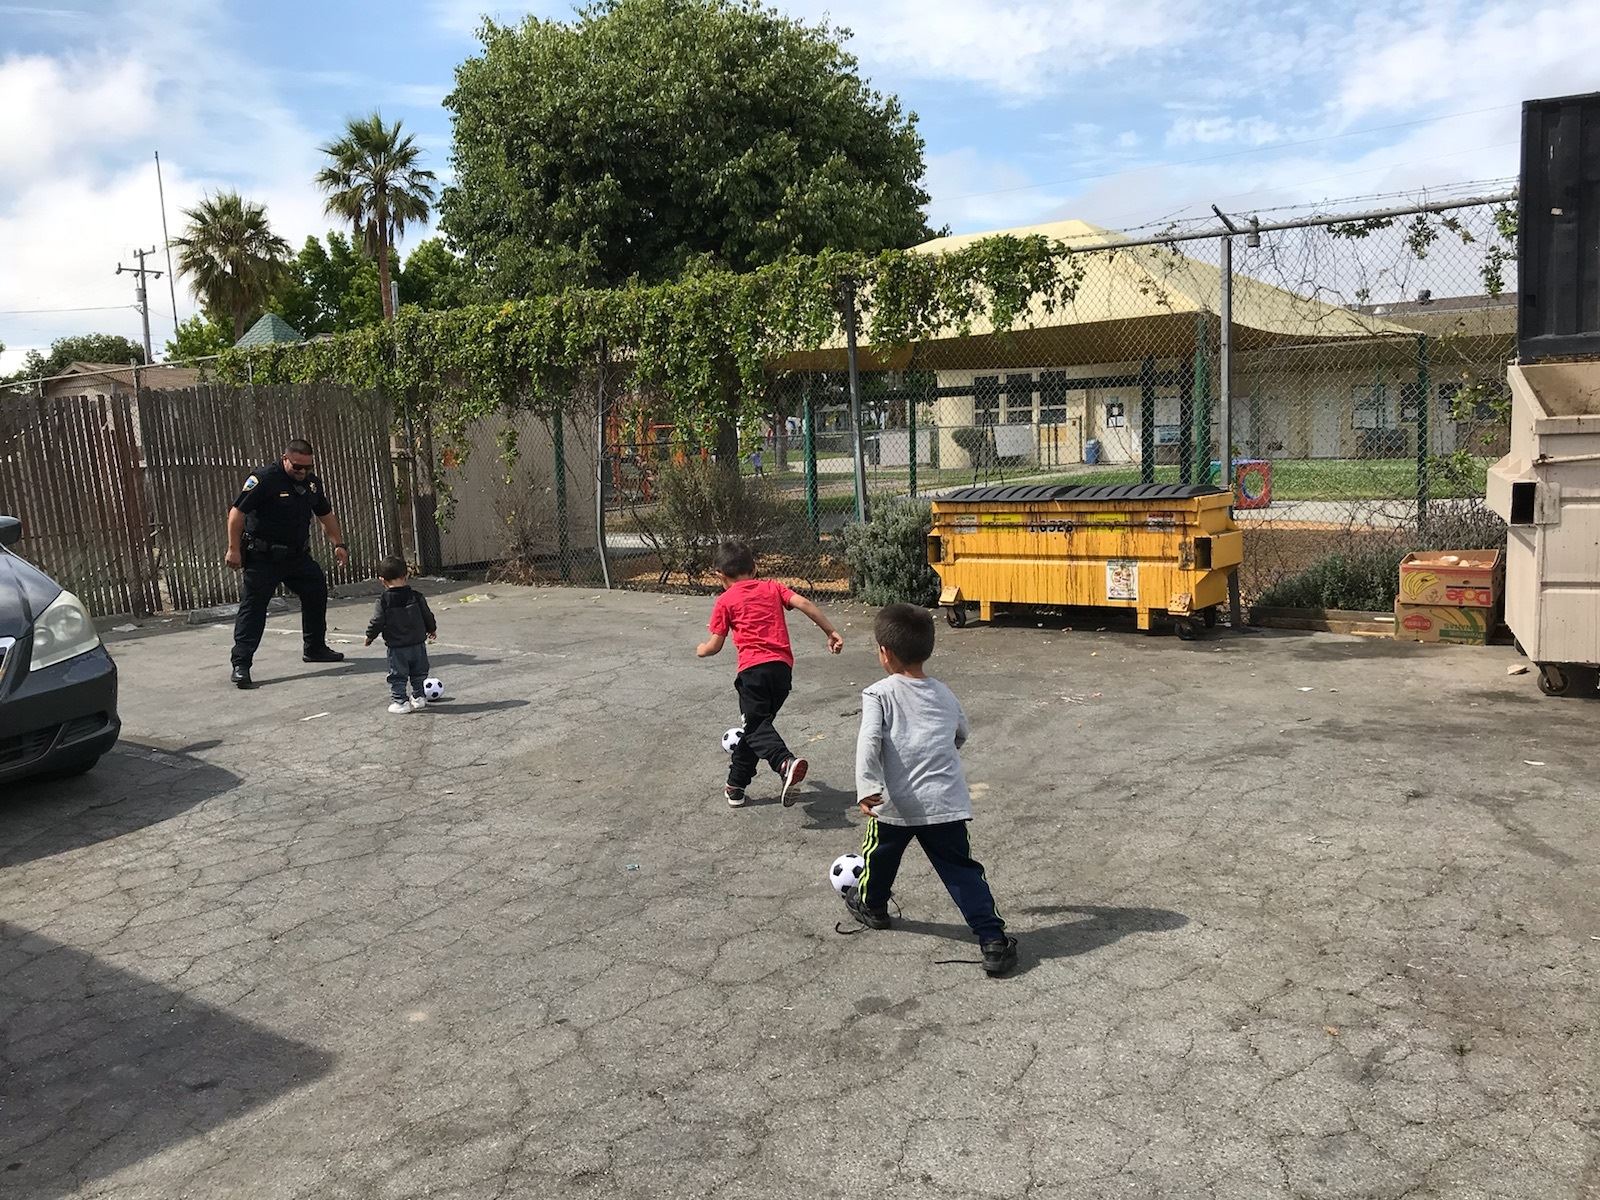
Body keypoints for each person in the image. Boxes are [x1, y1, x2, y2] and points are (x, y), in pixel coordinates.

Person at [847, 603, 1017, 977]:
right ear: (928, 649)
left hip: (894, 802)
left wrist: (867, 787)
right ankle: (993, 940)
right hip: (945, 802)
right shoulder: (943, 692)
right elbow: (961, 733)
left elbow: (869, 739)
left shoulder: (878, 694)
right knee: (961, 870)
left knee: (880, 856)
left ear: (884, 652)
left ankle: (872, 906)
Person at [696, 540, 843, 808]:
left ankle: (784, 762)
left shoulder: (725, 600)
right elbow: (804, 603)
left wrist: (702, 650)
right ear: (754, 568)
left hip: (753, 673)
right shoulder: (773, 587)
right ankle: (735, 786)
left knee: (755, 728)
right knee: (756, 729)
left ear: (719, 575)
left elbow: (715, 645)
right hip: (782, 672)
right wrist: (829, 631)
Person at [225, 438, 349, 688]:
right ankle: (241, 664)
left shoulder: (312, 484)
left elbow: (325, 514)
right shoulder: (264, 479)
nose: (302, 472)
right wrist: (233, 549)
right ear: (285, 459)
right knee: (254, 608)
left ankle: (314, 648)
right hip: (263, 557)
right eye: (297, 466)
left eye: (307, 467)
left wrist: (338, 544)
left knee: (316, 589)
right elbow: (236, 513)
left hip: (296, 556)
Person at [364, 555, 438, 715]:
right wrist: (431, 629)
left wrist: (370, 636)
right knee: (419, 673)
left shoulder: (383, 601)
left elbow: (377, 621)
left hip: (397, 647)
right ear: (406, 576)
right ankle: (419, 698)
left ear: (382, 580)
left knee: (398, 675)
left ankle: (401, 702)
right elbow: (427, 615)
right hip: (418, 644)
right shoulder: (416, 596)